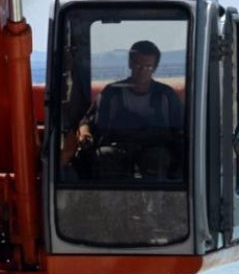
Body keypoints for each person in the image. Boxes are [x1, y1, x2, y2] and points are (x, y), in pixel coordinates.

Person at [76, 40, 183, 180]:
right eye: (138, 65)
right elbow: (86, 121)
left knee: (159, 158)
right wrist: (85, 134)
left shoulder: (166, 96)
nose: (142, 71)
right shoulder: (111, 93)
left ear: (155, 68)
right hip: (118, 148)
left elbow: (180, 129)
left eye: (148, 67)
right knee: (103, 155)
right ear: (130, 64)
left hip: (155, 148)